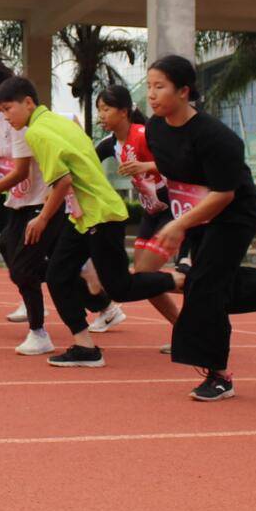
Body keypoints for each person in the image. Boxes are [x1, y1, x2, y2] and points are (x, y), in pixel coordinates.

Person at [0, 76, 177, 368]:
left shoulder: (37, 132)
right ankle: (84, 346)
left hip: (99, 215)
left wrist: (42, 218)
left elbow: (63, 181)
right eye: (1, 112)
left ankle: (181, 280)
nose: (6, 117)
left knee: (119, 287)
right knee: (57, 275)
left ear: (28, 102)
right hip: (83, 217)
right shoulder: (61, 122)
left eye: (8, 109)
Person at [142, 55, 256, 401]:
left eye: (159, 87)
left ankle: (219, 375)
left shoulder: (215, 137)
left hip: (231, 215)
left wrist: (177, 224)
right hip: (196, 215)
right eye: (149, 87)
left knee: (206, 286)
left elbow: (224, 194)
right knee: (210, 283)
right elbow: (176, 173)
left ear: (184, 91)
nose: (151, 95)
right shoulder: (155, 128)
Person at [0, 55, 111, 356]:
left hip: (45, 200)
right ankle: (97, 296)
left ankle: (39, 331)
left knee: (26, 268)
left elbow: (20, 172)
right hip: (19, 200)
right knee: (12, 251)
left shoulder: (18, 120)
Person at [92, 84, 181, 334]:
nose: (101, 115)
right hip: (150, 211)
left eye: (106, 109)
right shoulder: (109, 144)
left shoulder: (144, 134)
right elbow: (86, 162)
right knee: (143, 279)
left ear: (123, 112)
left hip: (171, 208)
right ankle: (184, 327)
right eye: (99, 110)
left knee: (144, 275)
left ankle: (195, 299)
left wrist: (145, 166)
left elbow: (176, 164)